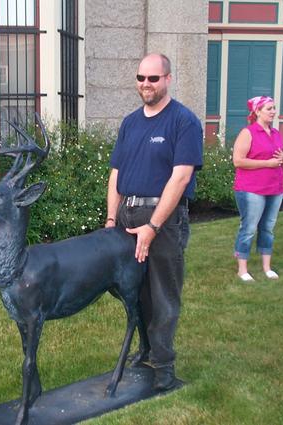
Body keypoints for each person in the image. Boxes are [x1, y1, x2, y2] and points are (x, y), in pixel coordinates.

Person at [105, 53, 203, 392]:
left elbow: (181, 177)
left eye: (153, 78)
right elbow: (116, 174)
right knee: (135, 292)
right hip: (127, 215)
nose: (146, 84)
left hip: (163, 220)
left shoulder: (183, 121)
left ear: (168, 79)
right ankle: (146, 349)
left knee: (163, 294)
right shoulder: (130, 123)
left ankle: (164, 366)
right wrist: (111, 219)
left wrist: (153, 226)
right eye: (141, 78)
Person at [232, 96, 283, 282]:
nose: (273, 111)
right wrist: (267, 163)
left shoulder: (276, 133)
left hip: (275, 188)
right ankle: (242, 270)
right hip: (251, 189)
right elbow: (238, 161)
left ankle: (266, 268)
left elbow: (279, 156)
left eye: (274, 108)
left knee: (268, 228)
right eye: (269, 108)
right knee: (249, 228)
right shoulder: (248, 133)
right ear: (257, 111)